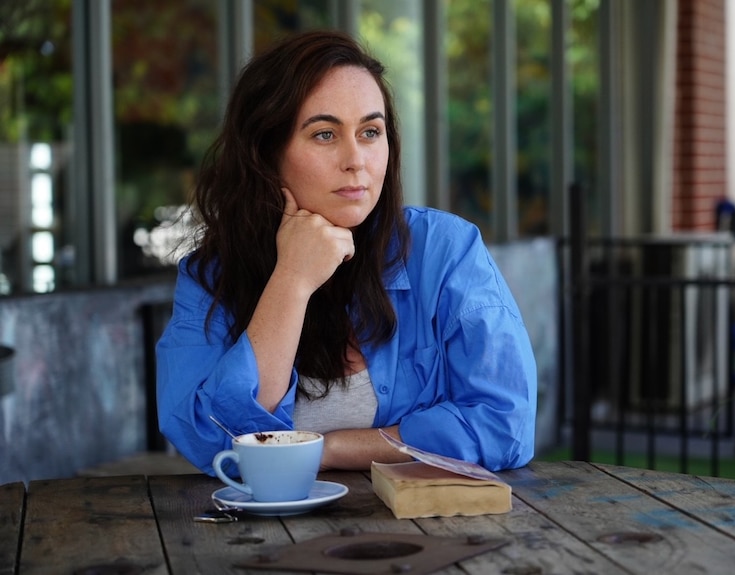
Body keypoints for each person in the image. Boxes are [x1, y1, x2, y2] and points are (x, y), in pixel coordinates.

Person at [156, 29, 537, 475]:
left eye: (370, 132)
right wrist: (292, 281)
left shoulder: (445, 251)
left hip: (425, 535)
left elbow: (506, 425)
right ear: (266, 152)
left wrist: (330, 448)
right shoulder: (211, 276)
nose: (356, 159)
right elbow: (211, 441)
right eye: (324, 134)